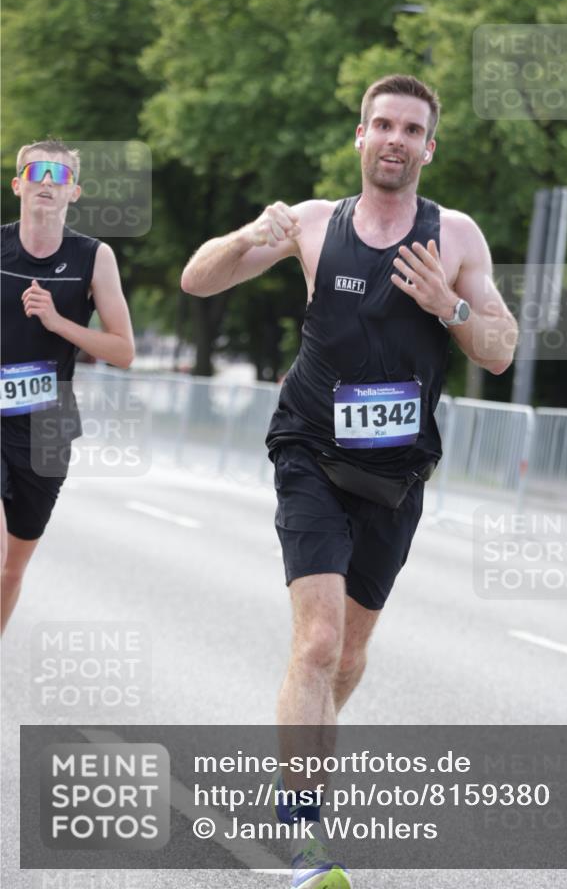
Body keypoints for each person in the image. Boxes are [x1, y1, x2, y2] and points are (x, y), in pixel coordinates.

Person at [181, 75, 518, 888]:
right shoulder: (310, 223)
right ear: (360, 137)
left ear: (429, 147)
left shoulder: (455, 236)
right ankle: (303, 837)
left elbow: (501, 348)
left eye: (411, 129)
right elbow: (197, 280)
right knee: (319, 640)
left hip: (397, 473)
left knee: (348, 654)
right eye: (382, 125)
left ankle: (299, 763)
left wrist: (448, 307)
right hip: (309, 450)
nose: (395, 138)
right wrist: (244, 236)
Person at [1, 140, 135, 633]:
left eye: (59, 175)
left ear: (73, 192)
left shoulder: (94, 257)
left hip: (47, 428)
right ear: (18, 184)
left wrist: (58, 322)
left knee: (11, 570)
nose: (47, 181)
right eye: (37, 171)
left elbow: (123, 351)